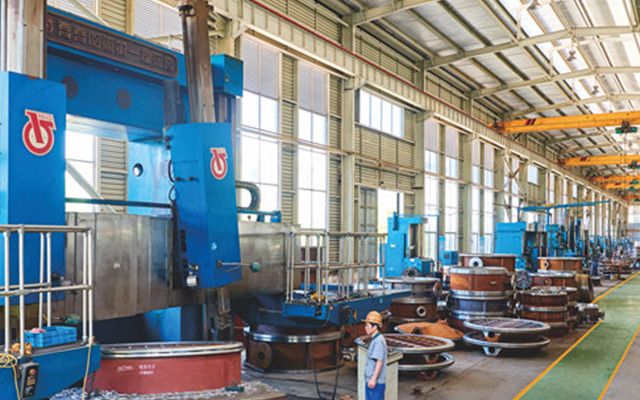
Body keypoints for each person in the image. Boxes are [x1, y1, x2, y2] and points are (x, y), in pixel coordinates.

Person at [364, 311, 387, 400]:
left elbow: (379, 362)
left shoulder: (378, 341)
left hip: (375, 383)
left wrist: (373, 379)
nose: (365, 328)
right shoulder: (375, 339)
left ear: (375, 327)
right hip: (371, 381)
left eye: (368, 326)